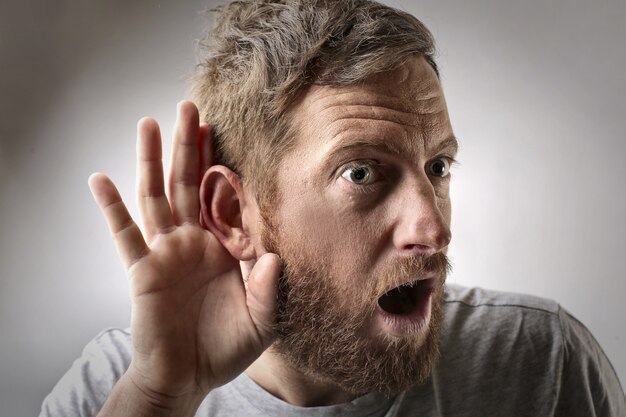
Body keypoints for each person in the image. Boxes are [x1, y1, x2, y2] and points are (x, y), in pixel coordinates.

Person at [41, 1, 625, 416]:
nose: (435, 228)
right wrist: (161, 399)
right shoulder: (114, 389)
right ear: (233, 214)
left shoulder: (540, 363)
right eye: (362, 172)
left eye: (438, 167)